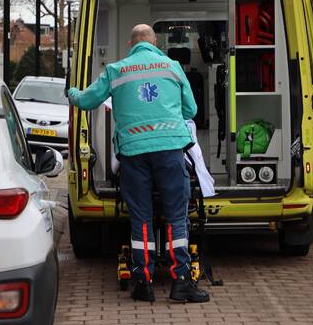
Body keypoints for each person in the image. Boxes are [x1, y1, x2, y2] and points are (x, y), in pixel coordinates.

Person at [68, 24, 210, 303]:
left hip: (133, 153)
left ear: (131, 44)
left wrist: (71, 92)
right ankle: (181, 281)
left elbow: (87, 101)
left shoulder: (116, 70)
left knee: (141, 218)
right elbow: (191, 110)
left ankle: (142, 283)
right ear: (155, 42)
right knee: (176, 216)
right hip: (170, 150)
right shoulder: (172, 66)